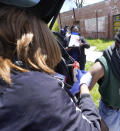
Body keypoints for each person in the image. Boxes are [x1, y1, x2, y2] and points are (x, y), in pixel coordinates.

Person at [0, 0, 101, 130]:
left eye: (77, 29)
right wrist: (84, 88)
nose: (76, 30)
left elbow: (87, 45)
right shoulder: (35, 88)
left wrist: (82, 44)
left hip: (79, 58)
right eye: (74, 29)